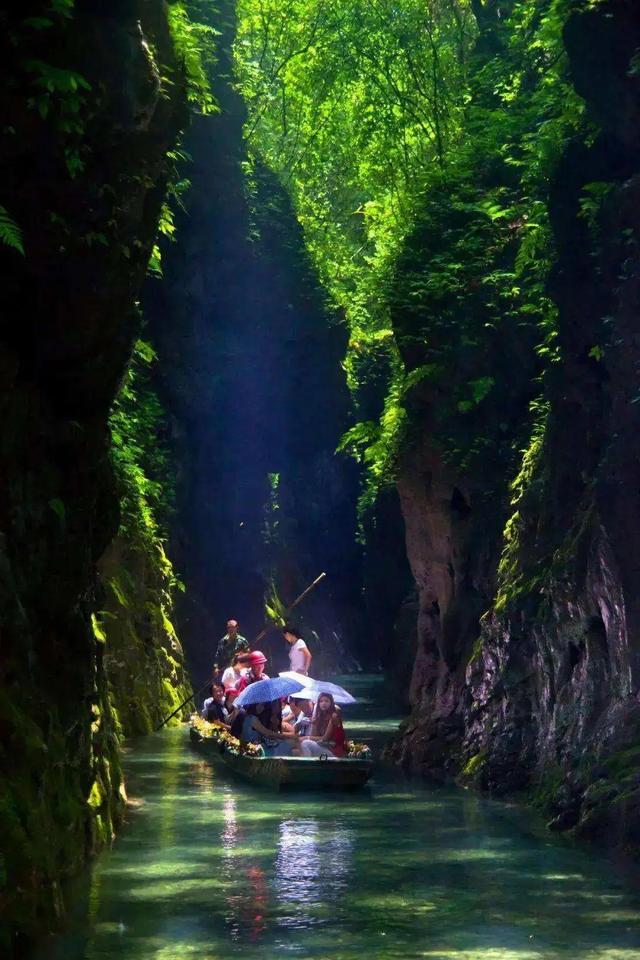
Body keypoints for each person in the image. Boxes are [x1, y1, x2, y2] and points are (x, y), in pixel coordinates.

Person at [300, 693, 346, 757]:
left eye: (326, 701)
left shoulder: (334, 716)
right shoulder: (319, 717)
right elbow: (314, 736)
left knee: (305, 743)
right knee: (299, 746)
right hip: (324, 748)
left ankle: (307, 765)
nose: (323, 703)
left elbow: (325, 738)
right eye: (321, 701)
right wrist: (314, 723)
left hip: (334, 751)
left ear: (331, 703)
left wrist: (306, 737)